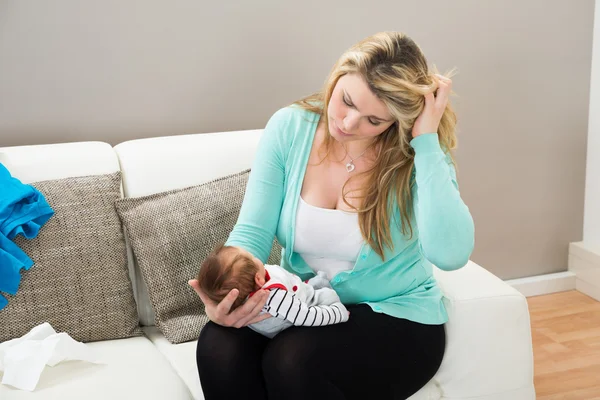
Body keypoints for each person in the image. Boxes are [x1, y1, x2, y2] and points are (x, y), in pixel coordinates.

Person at [189, 31, 475, 400]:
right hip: (309, 305)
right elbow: (251, 235)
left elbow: (450, 254)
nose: (349, 123)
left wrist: (426, 142)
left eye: (374, 120)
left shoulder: (416, 155)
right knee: (219, 343)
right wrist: (226, 299)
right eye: (346, 101)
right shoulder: (290, 127)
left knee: (293, 360)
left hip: (397, 319)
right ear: (338, 75)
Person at [196, 243, 349, 338]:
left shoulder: (247, 287)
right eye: (252, 256)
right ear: (258, 279)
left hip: (298, 291)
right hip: (307, 307)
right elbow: (306, 316)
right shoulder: (275, 297)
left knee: (314, 284)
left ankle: (314, 284)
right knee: (327, 294)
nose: (256, 257)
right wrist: (337, 312)